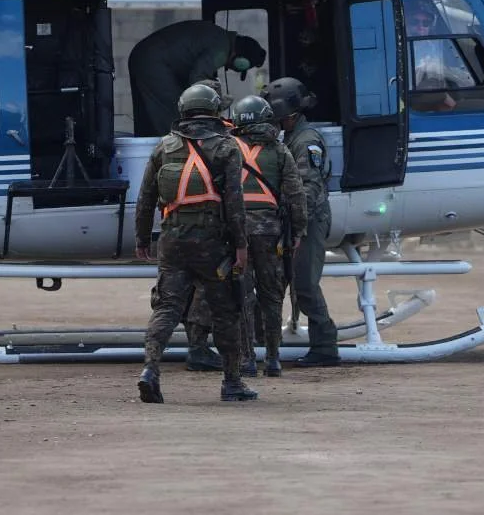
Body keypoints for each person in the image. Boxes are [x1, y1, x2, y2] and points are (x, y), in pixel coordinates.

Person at [132, 83, 256, 404]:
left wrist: (142, 238)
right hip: (212, 244)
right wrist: (241, 245)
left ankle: (150, 369)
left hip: (172, 241)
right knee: (225, 310)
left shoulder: (163, 147)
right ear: (215, 111)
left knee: (167, 307)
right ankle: (232, 383)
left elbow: (146, 199)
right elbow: (234, 201)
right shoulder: (227, 148)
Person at [227, 93, 308, 378]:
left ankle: (247, 360)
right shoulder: (280, 150)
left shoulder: (227, 148)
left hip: (235, 234)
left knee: (242, 297)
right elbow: (296, 195)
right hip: (271, 234)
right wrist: (298, 230)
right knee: (272, 296)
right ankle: (273, 359)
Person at [264, 75, 339, 368]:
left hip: (307, 220)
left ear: (288, 115)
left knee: (306, 285)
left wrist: (297, 225)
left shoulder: (306, 141)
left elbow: (309, 187)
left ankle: (325, 346)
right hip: (294, 220)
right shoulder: (293, 138)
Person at [127, 19, 267, 137]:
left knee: (149, 116)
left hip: (146, 57)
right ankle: (171, 157)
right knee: (174, 116)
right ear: (240, 59)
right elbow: (198, 82)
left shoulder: (219, 38)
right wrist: (216, 106)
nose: (232, 69)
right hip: (154, 62)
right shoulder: (221, 48)